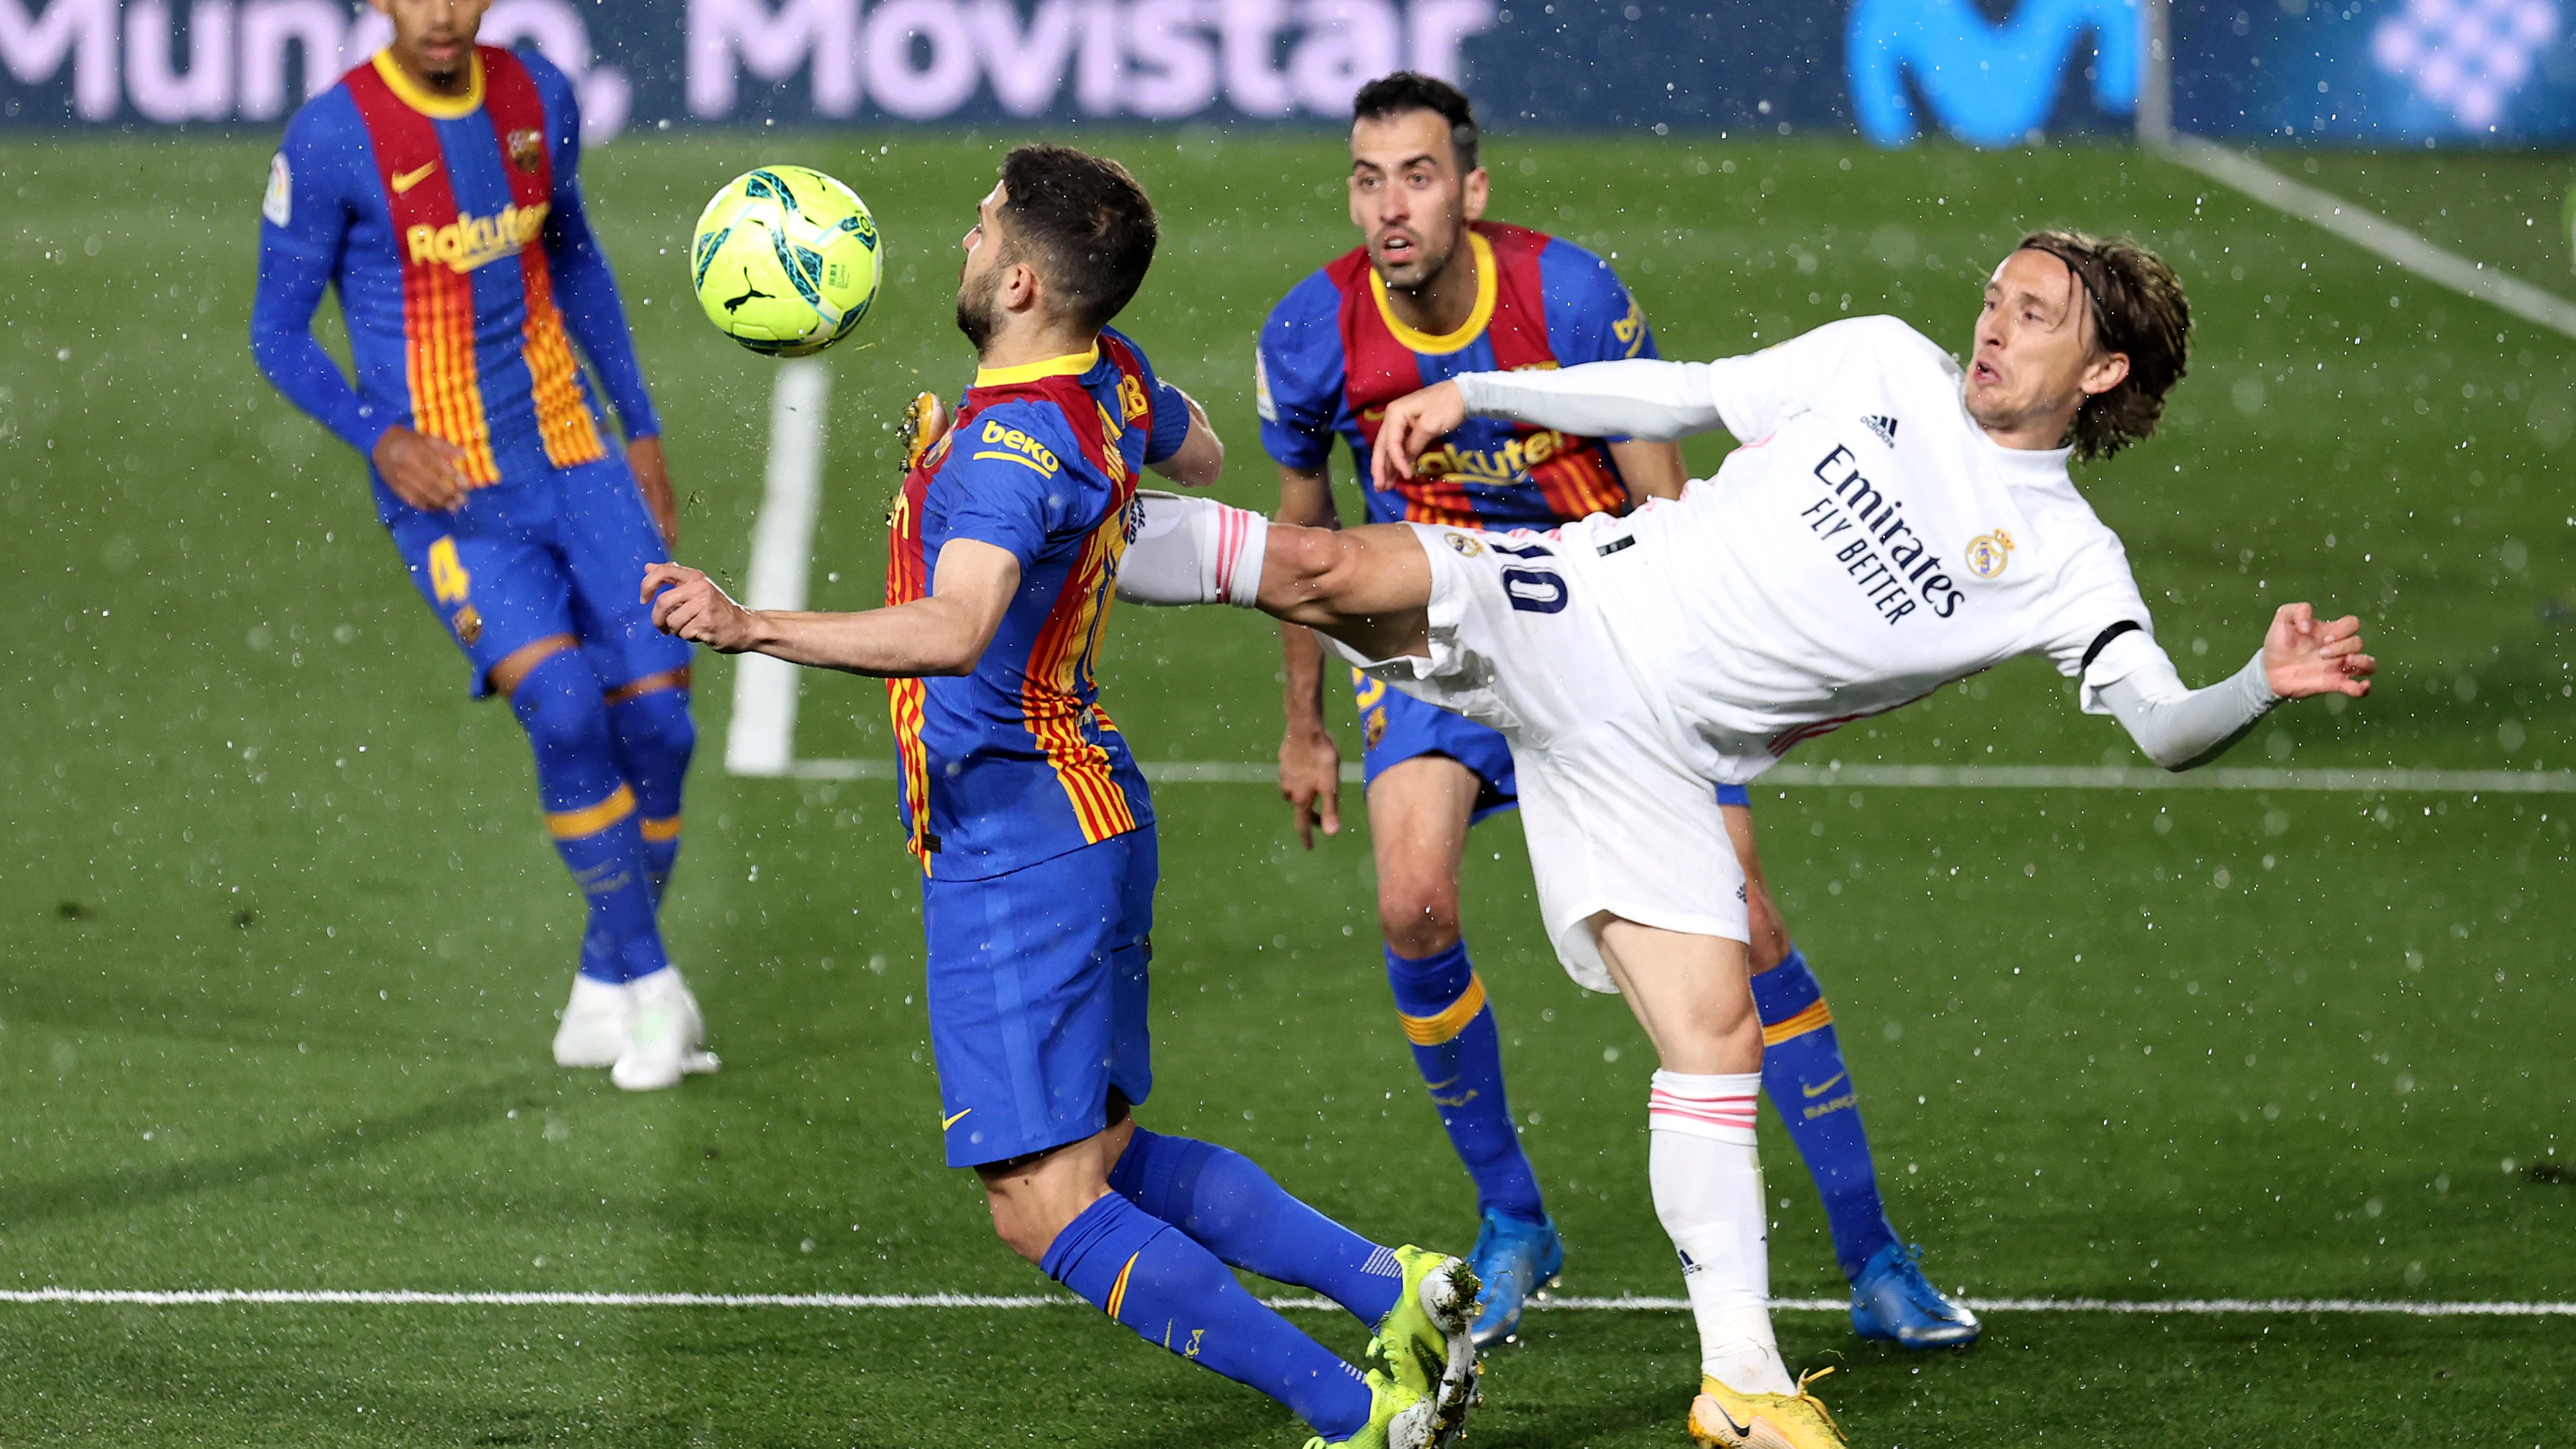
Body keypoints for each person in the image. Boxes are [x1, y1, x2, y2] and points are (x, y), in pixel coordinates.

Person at [1118, 231, 2375, 1447]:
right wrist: (1480, 390)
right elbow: (1684, 394)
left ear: (2101, 373)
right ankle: (1084, 525)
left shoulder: (2066, 564)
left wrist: (2256, 684)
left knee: (1714, 1034)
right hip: (1588, 605)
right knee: (1332, 568)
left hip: (1659, 759)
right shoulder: (1882, 364)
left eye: (2033, 314)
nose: (1991, 324)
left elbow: (2159, 727)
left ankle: (1740, 1383)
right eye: (1994, 296)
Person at [641, 144, 1483, 1449]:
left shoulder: (1007, 452)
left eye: (983, 228)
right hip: (1087, 812)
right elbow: (1196, 452)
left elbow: (955, 626)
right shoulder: (1106, 380)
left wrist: (753, 624)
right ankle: (1394, 1289)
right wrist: (1095, 431)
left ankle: (1354, 1413)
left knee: (1036, 1204)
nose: (964, 240)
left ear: (1025, 282)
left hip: (1017, 843)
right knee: (1105, 1152)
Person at [1257, 71, 1975, 1349]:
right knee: (1409, 900)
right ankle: (1514, 1217)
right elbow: (1302, 535)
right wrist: (1304, 723)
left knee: (1745, 921)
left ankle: (1872, 1255)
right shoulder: (1309, 330)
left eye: (1416, 176)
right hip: (1438, 639)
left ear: (1470, 189)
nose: (1389, 207)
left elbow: (1666, 497)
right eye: (1367, 180)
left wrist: (1709, 671)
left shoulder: (1568, 296)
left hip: (1613, 630)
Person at [249, 0, 710, 1090]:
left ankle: (602, 985)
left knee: (662, 722)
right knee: (560, 706)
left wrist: (637, 423)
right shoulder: (331, 137)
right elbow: (276, 330)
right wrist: (381, 434)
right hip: (451, 486)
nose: (444, 12)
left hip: (579, 456)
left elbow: (574, 252)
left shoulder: (537, 94)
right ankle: (652, 987)